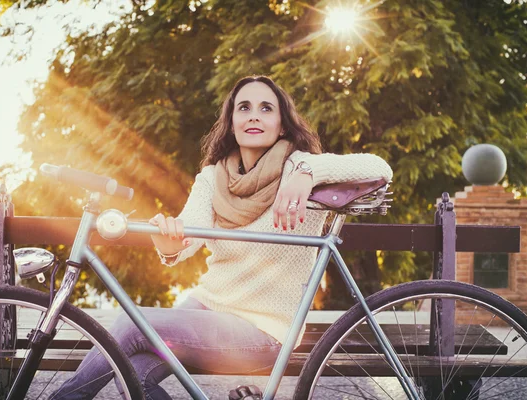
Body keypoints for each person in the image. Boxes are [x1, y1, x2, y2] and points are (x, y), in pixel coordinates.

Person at [52, 75, 393, 399]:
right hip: (206, 308)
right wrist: (170, 241)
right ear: (232, 122)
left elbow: (379, 167)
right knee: (131, 375)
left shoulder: (299, 167)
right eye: (243, 108)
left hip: (263, 331)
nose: (254, 116)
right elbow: (188, 236)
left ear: (282, 124)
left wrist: (308, 173)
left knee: (129, 322)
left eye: (266, 108)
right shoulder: (212, 177)